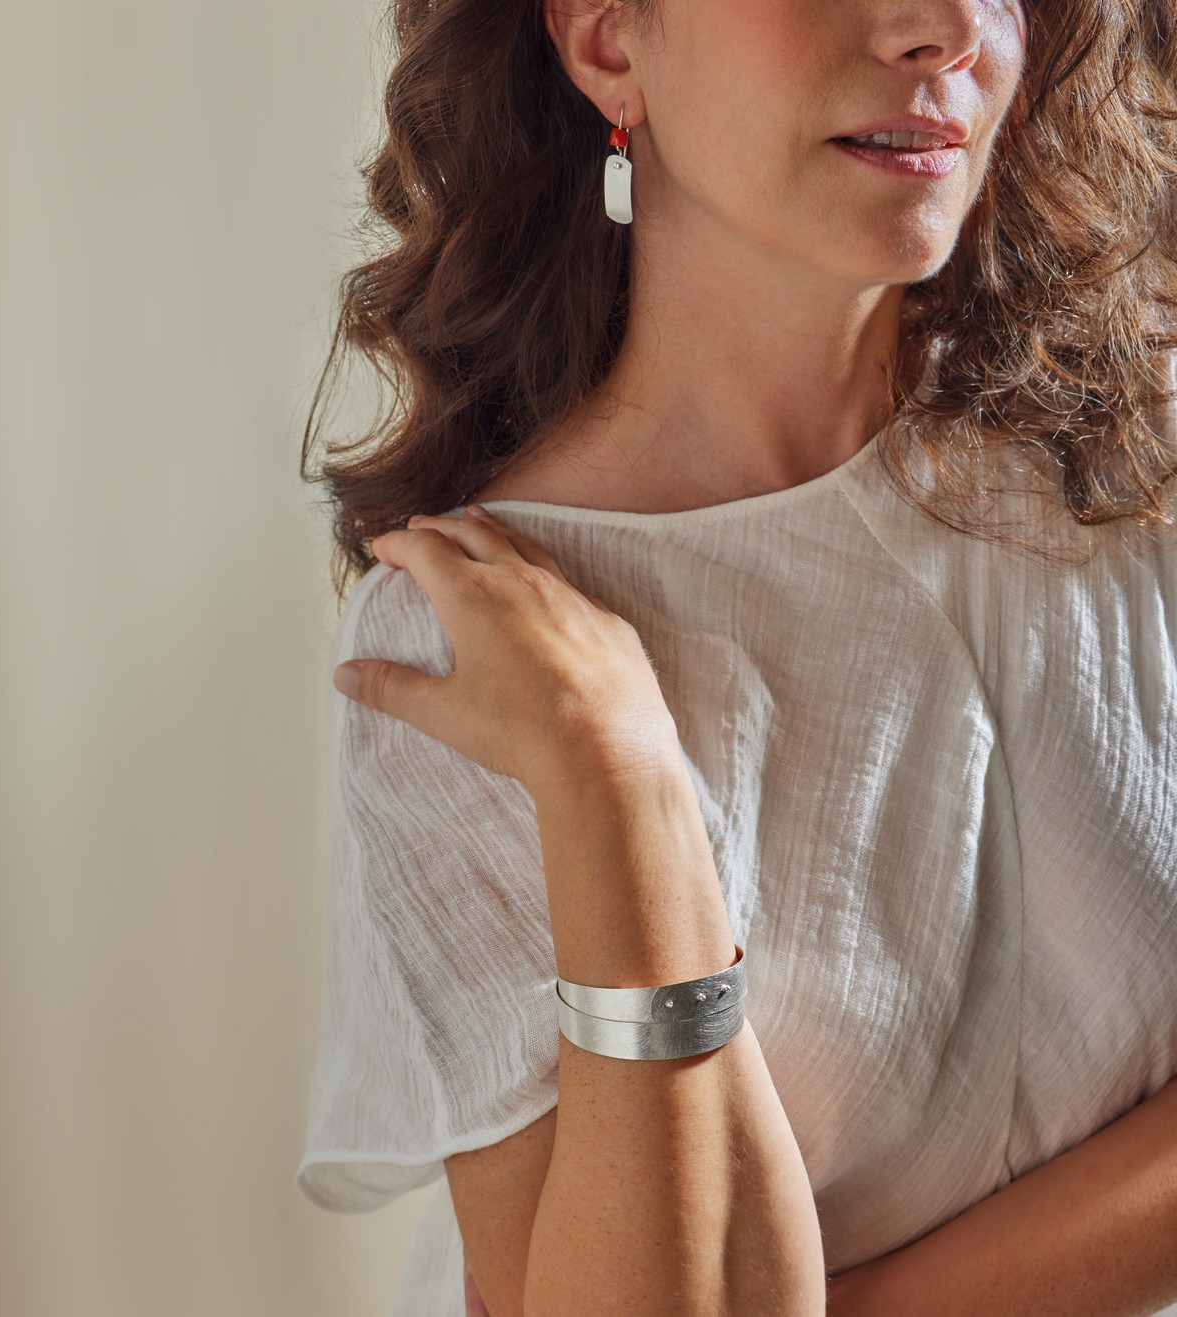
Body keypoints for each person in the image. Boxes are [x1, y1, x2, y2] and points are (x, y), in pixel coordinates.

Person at [295, 0, 1177, 1313]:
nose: (942, 27)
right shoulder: (481, 638)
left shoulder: (1131, 461)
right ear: (606, 40)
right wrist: (627, 803)